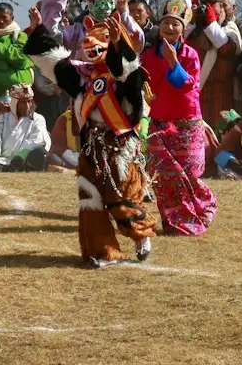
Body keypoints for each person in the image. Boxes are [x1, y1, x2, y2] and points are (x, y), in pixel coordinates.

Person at [26, 15, 155, 267]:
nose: (93, 43)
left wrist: (119, 46)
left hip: (119, 147)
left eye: (103, 39)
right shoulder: (81, 75)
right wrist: (39, 30)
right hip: (90, 147)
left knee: (122, 196)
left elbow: (127, 75)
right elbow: (54, 62)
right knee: (90, 200)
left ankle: (140, 235)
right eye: (90, 38)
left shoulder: (129, 75)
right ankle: (103, 251)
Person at [141, 0, 218, 236]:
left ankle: (201, 209)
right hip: (159, 122)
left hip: (187, 122)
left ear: (183, 28)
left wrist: (173, 60)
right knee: (165, 176)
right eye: (166, 22)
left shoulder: (190, 54)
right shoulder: (148, 56)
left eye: (175, 24)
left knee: (189, 175)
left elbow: (187, 86)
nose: (170, 28)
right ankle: (174, 221)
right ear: (159, 25)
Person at [190, 0, 240, 128]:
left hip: (222, 95)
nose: (209, 8)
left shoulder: (230, 28)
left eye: (214, 5)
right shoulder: (194, 32)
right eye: (206, 5)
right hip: (197, 94)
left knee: (223, 134)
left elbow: (229, 48)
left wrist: (211, 24)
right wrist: (192, 21)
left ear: (222, 8)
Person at [0, 84, 51, 172]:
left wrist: (19, 159)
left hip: (24, 161)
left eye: (29, 101)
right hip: (2, 161)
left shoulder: (37, 119)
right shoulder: (1, 119)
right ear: (14, 103)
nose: (27, 106)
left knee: (40, 153)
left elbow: (35, 141)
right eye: (23, 102)